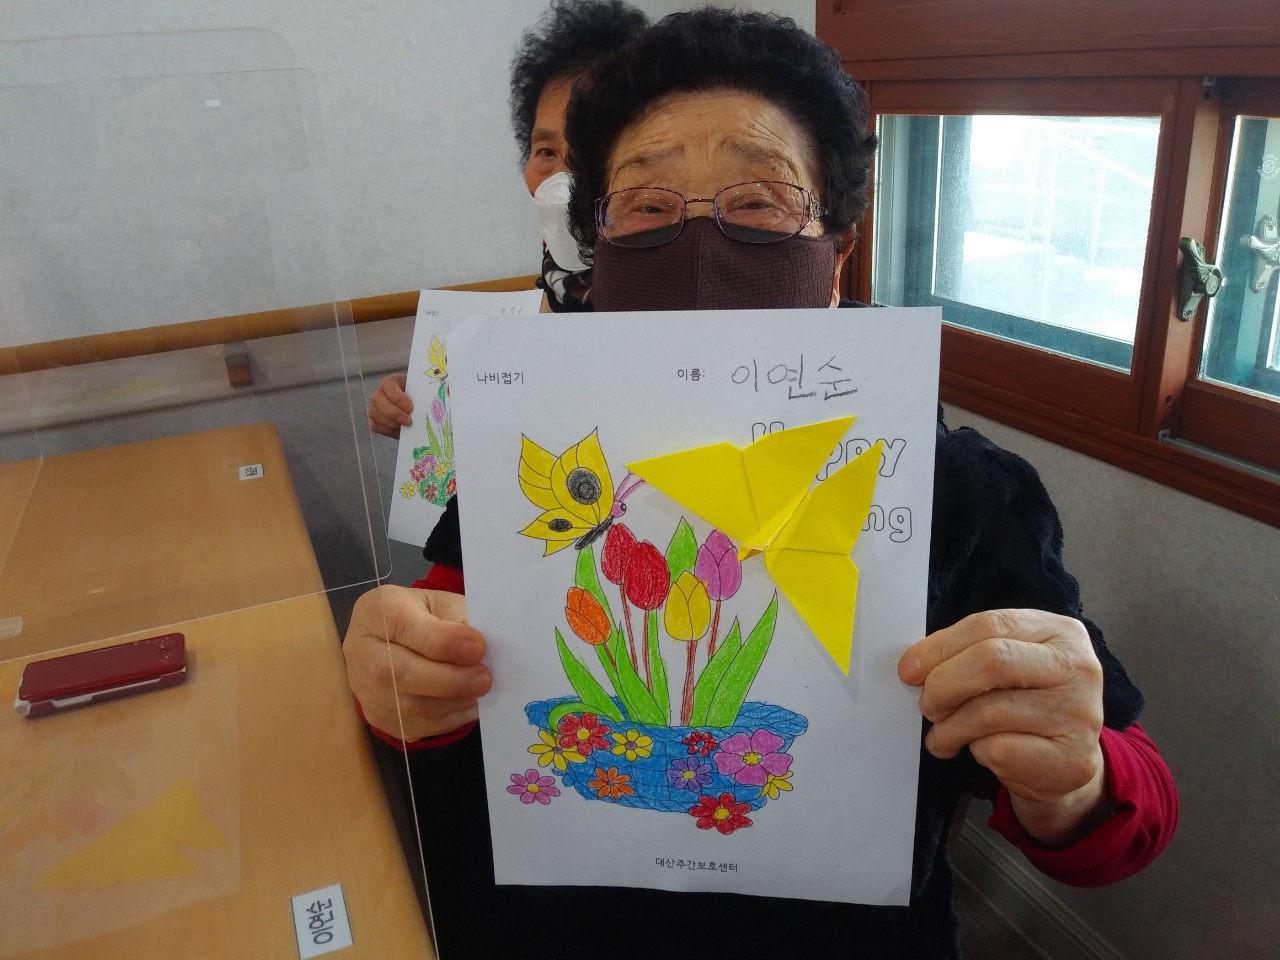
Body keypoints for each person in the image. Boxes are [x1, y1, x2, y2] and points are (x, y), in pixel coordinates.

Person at [343, 11, 1178, 958]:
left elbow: (1132, 810)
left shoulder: (960, 491)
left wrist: (1075, 778)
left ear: (837, 253)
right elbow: (441, 682)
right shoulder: (541, 457)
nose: (702, 245)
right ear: (596, 250)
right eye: (645, 207)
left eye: (761, 203)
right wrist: (400, 679)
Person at [365, 0, 648, 441]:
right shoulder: (535, 309)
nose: (562, 180)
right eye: (546, 152)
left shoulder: (677, 299)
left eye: (589, 153)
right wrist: (424, 407)